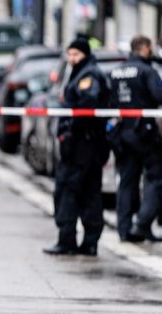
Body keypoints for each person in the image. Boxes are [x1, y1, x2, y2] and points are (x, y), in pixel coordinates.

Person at [43, 38, 110, 256]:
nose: (72, 59)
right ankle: (88, 242)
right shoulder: (82, 73)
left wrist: (70, 130)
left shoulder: (88, 75)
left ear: (85, 55)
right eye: (70, 54)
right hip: (86, 144)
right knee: (88, 192)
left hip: (82, 145)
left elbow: (86, 105)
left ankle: (69, 241)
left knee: (69, 191)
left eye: (76, 55)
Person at [110, 35, 162, 242]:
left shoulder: (116, 71)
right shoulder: (147, 71)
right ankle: (142, 223)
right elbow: (159, 96)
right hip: (144, 133)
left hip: (122, 132)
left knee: (127, 181)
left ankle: (124, 229)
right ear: (145, 48)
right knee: (156, 177)